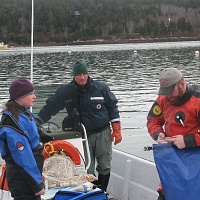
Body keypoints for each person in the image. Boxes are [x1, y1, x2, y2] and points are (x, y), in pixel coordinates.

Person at [35, 60, 122, 192]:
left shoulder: (101, 88)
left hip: (102, 133)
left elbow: (112, 107)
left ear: (87, 73)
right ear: (73, 76)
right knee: (87, 167)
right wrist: (35, 122)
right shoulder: (65, 92)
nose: (82, 77)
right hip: (82, 136)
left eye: (84, 74)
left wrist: (117, 129)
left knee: (104, 165)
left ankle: (102, 191)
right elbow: (50, 108)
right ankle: (91, 193)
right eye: (79, 75)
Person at [147, 67, 200, 200]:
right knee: (167, 192)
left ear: (181, 84)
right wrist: (158, 134)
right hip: (173, 157)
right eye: (165, 92)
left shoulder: (197, 100)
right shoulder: (163, 99)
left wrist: (187, 141)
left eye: (171, 91)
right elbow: (152, 121)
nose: (168, 95)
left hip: (195, 157)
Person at [0, 78, 45, 200]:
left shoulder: (24, 113)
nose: (34, 96)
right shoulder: (13, 122)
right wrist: (36, 184)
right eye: (30, 94)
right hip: (22, 179)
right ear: (19, 98)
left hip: (28, 175)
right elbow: (22, 157)